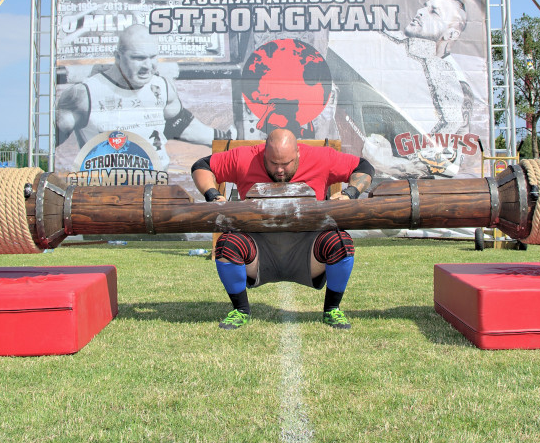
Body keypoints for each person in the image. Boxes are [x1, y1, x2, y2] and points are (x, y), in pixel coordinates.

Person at [191, 128, 375, 330]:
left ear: (297, 154)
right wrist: (212, 194)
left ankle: (332, 309)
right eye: (273, 163)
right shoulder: (245, 157)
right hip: (258, 249)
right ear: (263, 154)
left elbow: (363, 167)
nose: (280, 170)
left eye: (286, 164)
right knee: (227, 245)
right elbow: (202, 166)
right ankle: (240, 309)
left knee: (340, 243)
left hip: (308, 249)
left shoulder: (321, 157)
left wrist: (350, 192)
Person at [56, 24, 233, 164]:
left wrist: (227, 139)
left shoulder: (161, 87)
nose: (147, 66)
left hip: (155, 188)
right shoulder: (84, 95)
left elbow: (181, 126)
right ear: (117, 56)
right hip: (107, 194)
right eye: (138, 58)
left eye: (152, 57)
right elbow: (51, 141)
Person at [362, 0, 477, 178]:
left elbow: (447, 165)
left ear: (451, 34)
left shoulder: (456, 89)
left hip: (407, 190)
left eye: (434, 12)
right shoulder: (396, 49)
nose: (421, 12)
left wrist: (387, 163)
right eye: (425, 6)